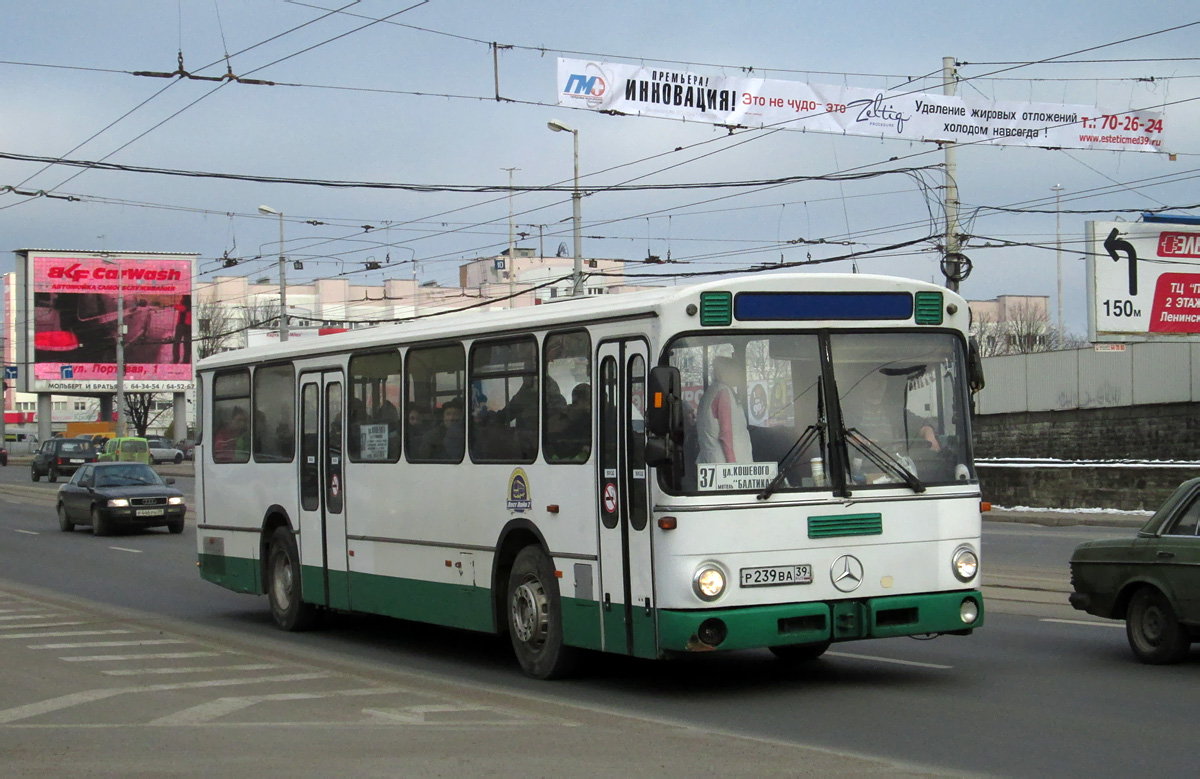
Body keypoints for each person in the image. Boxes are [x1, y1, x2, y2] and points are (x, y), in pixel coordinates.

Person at [695, 356, 753, 464]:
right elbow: (726, 434)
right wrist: (732, 466)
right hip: (727, 465)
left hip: (710, 460)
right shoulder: (724, 392)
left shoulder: (709, 393)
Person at [171, 295, 191, 364]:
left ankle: (176, 359)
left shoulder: (186, 304)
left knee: (177, 342)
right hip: (188, 325)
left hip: (182, 325)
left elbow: (183, 308)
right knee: (187, 343)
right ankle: (186, 360)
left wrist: (175, 306)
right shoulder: (190, 302)